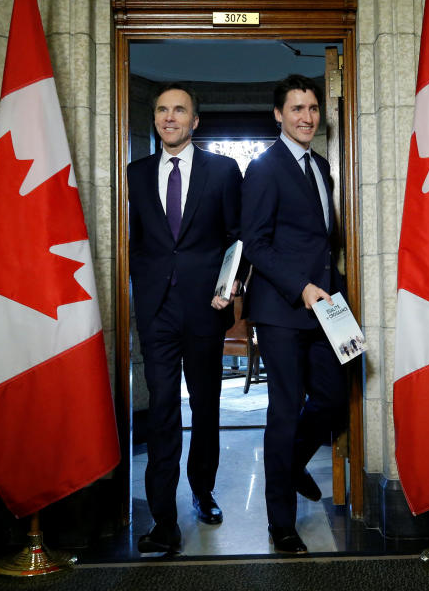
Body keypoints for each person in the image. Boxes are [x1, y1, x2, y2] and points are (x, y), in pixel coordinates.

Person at [128, 82, 242, 554]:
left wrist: (232, 284)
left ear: (196, 121)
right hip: (156, 310)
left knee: (206, 405)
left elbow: (237, 237)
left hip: (204, 309)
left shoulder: (223, 170)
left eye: (179, 110)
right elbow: (136, 241)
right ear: (155, 119)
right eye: (161, 110)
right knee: (161, 412)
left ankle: (202, 490)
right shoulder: (135, 174)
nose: (169, 117)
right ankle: (163, 521)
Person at [240, 74, 348, 554]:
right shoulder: (264, 168)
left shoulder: (322, 166)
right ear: (278, 115)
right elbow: (256, 245)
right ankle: (280, 523)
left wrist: (328, 291)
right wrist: (300, 287)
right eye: (297, 108)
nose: (307, 117)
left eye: (312, 108)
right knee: (284, 410)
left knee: (331, 397)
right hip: (282, 309)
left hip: (327, 307)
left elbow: (324, 241)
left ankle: (292, 462)